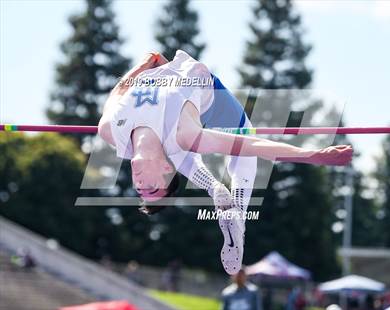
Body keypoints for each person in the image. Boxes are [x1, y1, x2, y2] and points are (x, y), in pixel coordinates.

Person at [98, 50, 353, 274]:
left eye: (139, 190)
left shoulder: (110, 131)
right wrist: (311, 155)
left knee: (175, 146)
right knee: (241, 140)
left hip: (163, 74)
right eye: (151, 188)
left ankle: (216, 190)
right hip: (208, 96)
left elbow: (118, 92)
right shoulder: (184, 134)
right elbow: (251, 146)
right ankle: (238, 213)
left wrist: (142, 66)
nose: (140, 185)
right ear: (166, 170)